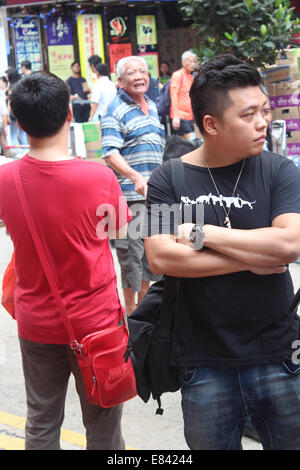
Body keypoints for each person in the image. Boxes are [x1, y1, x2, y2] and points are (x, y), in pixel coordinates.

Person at [143, 54, 300, 450]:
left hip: (280, 357)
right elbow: (160, 258)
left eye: (264, 110)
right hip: (203, 364)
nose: (263, 122)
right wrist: (256, 256)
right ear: (211, 124)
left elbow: (289, 244)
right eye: (248, 115)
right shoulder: (167, 177)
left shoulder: (281, 170)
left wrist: (202, 233)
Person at [0, 71, 131, 450]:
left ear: (19, 123)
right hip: (97, 323)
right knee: (104, 426)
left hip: (36, 322)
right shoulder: (98, 176)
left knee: (41, 422)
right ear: (70, 114)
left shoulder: (5, 180)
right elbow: (120, 233)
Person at [101, 56, 165, 315]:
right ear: (119, 81)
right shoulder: (114, 110)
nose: (140, 76)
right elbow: (110, 153)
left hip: (152, 196)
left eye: (143, 71)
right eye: (132, 73)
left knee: (151, 258)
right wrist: (136, 177)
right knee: (131, 259)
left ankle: (145, 312)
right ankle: (131, 314)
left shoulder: (151, 105)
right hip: (125, 198)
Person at [170, 50, 198, 140]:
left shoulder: (191, 77)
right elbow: (173, 95)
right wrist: (176, 116)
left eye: (194, 61)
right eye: (190, 61)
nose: (193, 64)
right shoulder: (177, 75)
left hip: (190, 117)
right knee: (192, 141)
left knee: (194, 143)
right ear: (183, 62)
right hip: (181, 116)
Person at [5, 67, 28, 150]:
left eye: (7, 76)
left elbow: (10, 102)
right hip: (23, 112)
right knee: (23, 133)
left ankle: (18, 153)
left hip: (14, 113)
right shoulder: (21, 84)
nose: (6, 78)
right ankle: (25, 151)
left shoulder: (12, 87)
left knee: (13, 134)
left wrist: (7, 114)